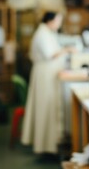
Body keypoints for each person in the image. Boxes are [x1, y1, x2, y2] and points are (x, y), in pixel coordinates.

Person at [21, 11, 74, 154]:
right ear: (50, 21)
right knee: (45, 109)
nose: (59, 24)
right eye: (58, 21)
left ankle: (51, 143)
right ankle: (44, 145)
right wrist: (67, 49)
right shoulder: (42, 34)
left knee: (50, 109)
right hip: (44, 75)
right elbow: (50, 54)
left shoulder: (48, 33)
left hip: (49, 74)